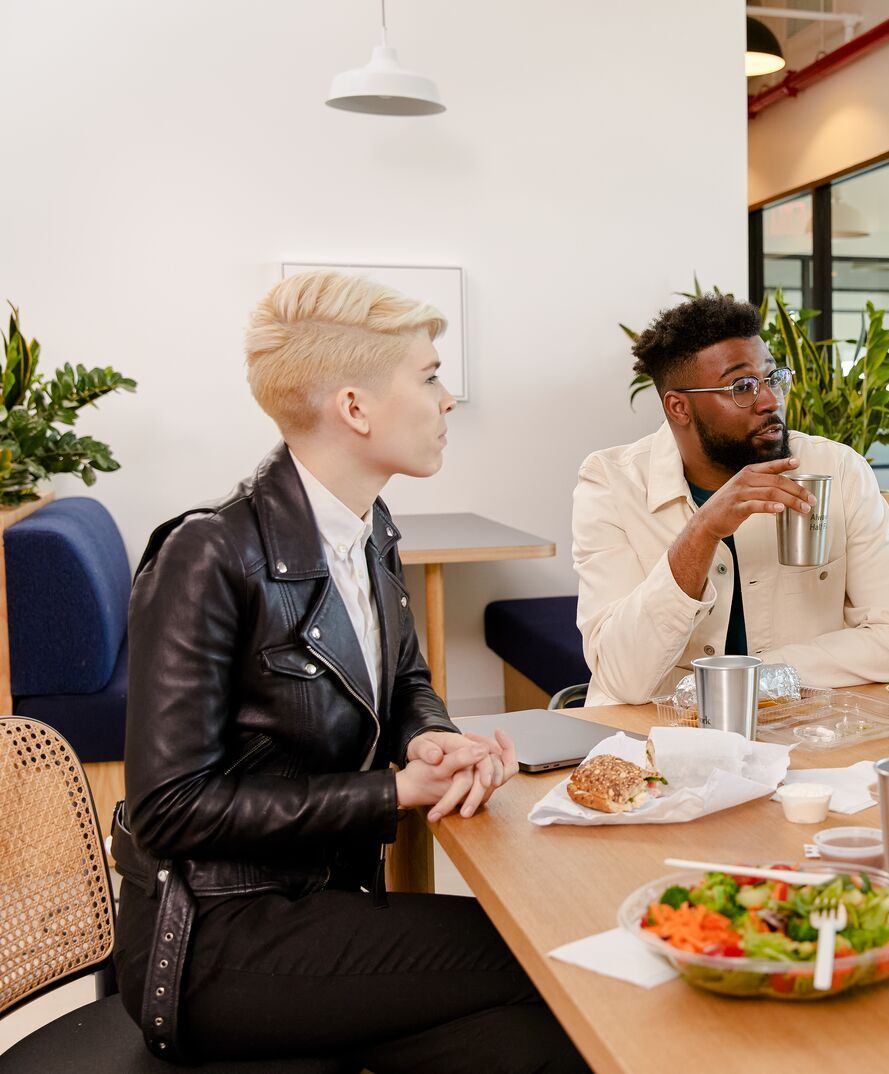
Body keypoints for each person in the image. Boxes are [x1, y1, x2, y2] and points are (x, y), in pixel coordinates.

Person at [112, 272, 585, 1072]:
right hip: (216, 940)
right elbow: (168, 808)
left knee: (540, 1043)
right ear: (355, 408)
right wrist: (395, 791)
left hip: (325, 902)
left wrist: (431, 738)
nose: (447, 401)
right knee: (549, 961)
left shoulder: (370, 528)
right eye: (430, 377)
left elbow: (404, 679)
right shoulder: (208, 554)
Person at [573, 293, 889, 706]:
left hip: (799, 736)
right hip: (652, 745)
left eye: (773, 378)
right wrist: (704, 530)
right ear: (679, 407)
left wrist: (754, 679)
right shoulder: (610, 483)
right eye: (741, 386)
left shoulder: (837, 469)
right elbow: (621, 678)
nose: (770, 401)